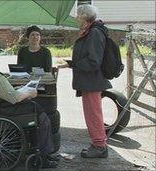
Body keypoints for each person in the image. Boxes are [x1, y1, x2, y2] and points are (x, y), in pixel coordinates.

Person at [0, 38, 59, 168]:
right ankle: (44, 155)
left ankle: (42, 151)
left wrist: (15, 90)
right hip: (3, 111)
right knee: (40, 113)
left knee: (33, 106)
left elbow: (1, 93)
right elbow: (14, 98)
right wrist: (29, 93)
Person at [56, 4, 112, 158]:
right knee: (92, 114)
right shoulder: (91, 31)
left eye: (78, 15)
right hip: (89, 81)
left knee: (94, 115)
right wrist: (71, 63)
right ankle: (98, 144)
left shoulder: (94, 33)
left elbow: (93, 61)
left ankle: (100, 146)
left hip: (92, 81)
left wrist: (74, 64)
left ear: (85, 17)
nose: (76, 18)